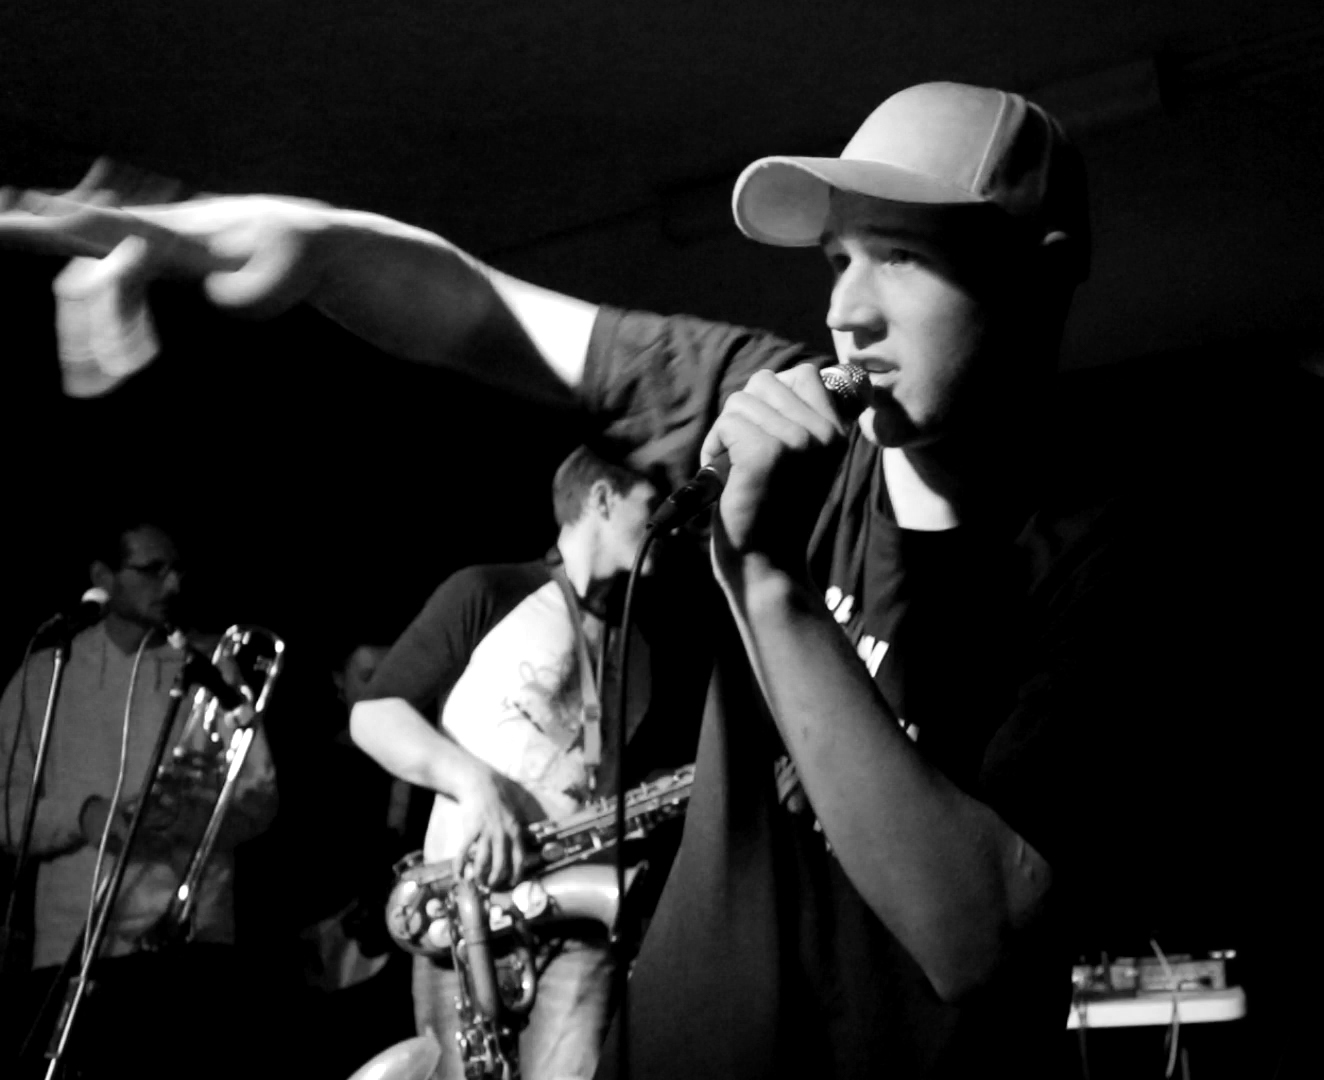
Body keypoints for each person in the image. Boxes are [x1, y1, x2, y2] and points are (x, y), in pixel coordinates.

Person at [8, 81, 1165, 1078]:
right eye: (837, 259)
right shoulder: (772, 391)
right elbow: (487, 312)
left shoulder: (1112, 559)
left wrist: (765, 584)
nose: (844, 310)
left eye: (901, 256)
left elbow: (978, 936)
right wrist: (317, 242)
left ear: (1043, 272)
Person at [348, 445, 670, 1080]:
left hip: (579, 919)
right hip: (468, 910)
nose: (669, 523)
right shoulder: (488, 591)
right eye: (653, 504)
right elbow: (372, 715)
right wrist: (476, 786)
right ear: (602, 498)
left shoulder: (638, 641)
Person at [0, 520, 278, 1075]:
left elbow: (261, 798)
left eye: (178, 570)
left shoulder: (212, 669)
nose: (173, 584)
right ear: (103, 576)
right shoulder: (46, 674)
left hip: (190, 943)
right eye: (152, 570)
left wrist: (195, 815)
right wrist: (85, 816)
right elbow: (6, 813)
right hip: (73, 943)